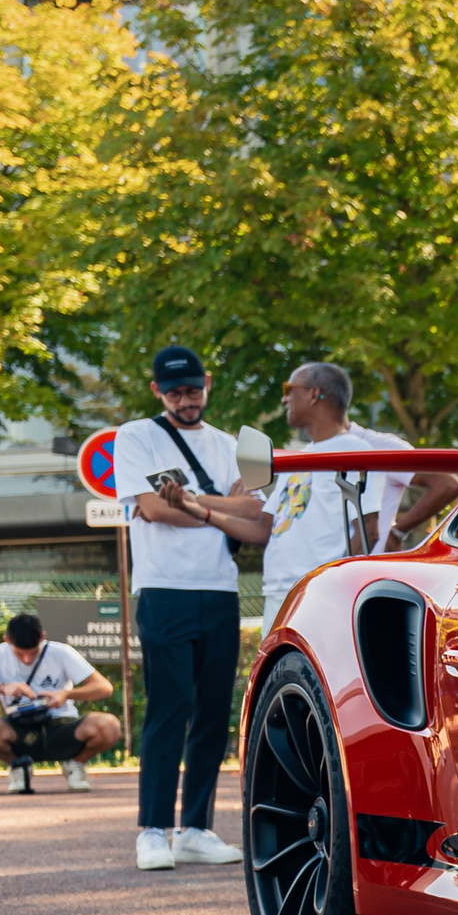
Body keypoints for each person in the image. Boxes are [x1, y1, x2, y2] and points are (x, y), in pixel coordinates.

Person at [114, 343, 269, 872]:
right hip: (163, 588)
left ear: (207, 383)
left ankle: (197, 827)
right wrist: (217, 509)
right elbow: (153, 507)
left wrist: (194, 504)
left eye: (194, 389)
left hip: (220, 589)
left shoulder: (231, 444)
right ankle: (152, 829)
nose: (186, 399)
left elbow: (257, 512)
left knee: (211, 712)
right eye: (175, 391)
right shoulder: (136, 435)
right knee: (168, 706)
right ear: (157, 390)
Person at [261, 360, 419, 628]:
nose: (284, 398)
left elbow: (368, 531)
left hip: (317, 595)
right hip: (279, 593)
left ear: (313, 394)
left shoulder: (357, 450)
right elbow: (265, 527)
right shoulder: (300, 457)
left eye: (289, 389)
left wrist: (332, 586)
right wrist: (199, 508)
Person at [0, 613, 121, 789]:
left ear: (43, 637)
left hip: (63, 725)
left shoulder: (61, 652)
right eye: (20, 654)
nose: (27, 659)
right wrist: (2, 687)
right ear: (7, 640)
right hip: (19, 729)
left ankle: (76, 765)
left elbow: (104, 687)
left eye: (34, 652)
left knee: (109, 725)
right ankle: (18, 766)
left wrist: (65, 694)